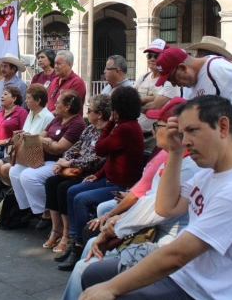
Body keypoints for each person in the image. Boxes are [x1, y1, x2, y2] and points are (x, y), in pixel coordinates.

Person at [79, 96, 232, 300]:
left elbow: (177, 256)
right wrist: (174, 152)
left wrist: (111, 288)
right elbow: (166, 207)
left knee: (106, 290)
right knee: (93, 275)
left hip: (204, 292)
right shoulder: (211, 174)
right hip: (188, 277)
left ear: (223, 127)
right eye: (183, 133)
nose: (186, 141)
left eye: (192, 130)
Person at [61, 97, 200, 300]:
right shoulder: (172, 159)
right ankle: (73, 243)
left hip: (161, 243)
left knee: (85, 266)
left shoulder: (188, 167)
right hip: (150, 229)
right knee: (89, 235)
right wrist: (116, 220)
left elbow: (157, 207)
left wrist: (116, 224)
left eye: (157, 125)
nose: (153, 131)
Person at [58, 86, 146, 271]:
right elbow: (113, 157)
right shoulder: (124, 126)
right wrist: (97, 175)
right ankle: (74, 239)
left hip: (120, 185)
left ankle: (79, 246)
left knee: (81, 199)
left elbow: (100, 149)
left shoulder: (125, 128)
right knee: (72, 190)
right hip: (109, 179)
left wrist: (109, 124)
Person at [155, 46, 232, 167]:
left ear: (183, 67)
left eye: (172, 79)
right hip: (218, 159)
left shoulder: (219, 69)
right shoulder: (190, 86)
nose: (173, 84)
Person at [43, 94, 110, 256]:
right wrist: (63, 161)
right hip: (76, 170)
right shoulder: (90, 128)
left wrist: (71, 163)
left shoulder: (107, 132)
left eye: (90, 110)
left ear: (99, 114)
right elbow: (75, 148)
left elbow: (98, 160)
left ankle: (68, 235)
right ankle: (56, 229)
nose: (87, 112)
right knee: (51, 182)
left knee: (64, 188)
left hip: (91, 174)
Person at [10, 90, 86, 226]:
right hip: (42, 157)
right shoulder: (57, 118)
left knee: (28, 176)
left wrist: (45, 141)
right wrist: (47, 142)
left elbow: (59, 149)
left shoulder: (77, 124)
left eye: (57, 102)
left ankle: (47, 211)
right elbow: (40, 137)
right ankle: (28, 208)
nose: (54, 105)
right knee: (14, 171)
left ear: (67, 107)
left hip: (60, 162)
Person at [0, 83, 54, 187]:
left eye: (28, 98)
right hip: (22, 153)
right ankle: (16, 191)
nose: (26, 101)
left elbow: (39, 141)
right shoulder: (31, 112)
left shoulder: (48, 117)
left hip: (34, 157)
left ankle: (17, 192)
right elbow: (22, 135)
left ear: (38, 101)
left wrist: (25, 136)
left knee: (5, 168)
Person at [134, 39, 180, 157]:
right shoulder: (143, 77)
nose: (152, 59)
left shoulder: (169, 81)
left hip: (155, 138)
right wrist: (151, 98)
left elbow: (155, 107)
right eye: (149, 55)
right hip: (138, 135)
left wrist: (137, 102)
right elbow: (129, 98)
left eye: (156, 55)